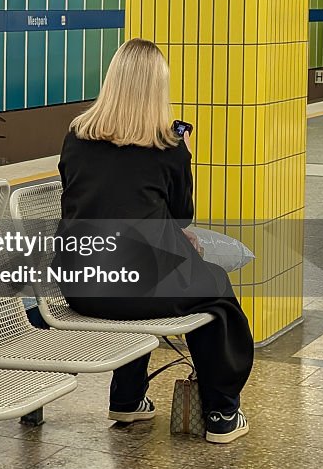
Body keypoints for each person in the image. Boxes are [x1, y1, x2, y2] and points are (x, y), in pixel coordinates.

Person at [55, 38, 253, 444]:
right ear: (158, 89)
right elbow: (182, 216)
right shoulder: (168, 144)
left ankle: (127, 399)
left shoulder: (76, 136)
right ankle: (221, 412)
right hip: (136, 287)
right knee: (214, 289)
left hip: (81, 284)